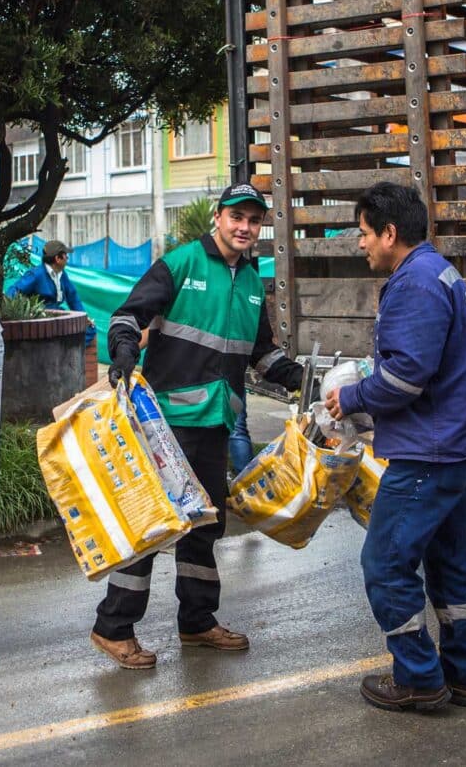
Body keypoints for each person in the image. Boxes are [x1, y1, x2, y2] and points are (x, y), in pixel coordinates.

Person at [93, 183, 304, 669]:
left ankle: (197, 621)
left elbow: (261, 351)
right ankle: (113, 627)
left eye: (253, 220)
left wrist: (294, 377)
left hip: (216, 421)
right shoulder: (182, 263)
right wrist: (124, 351)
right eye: (237, 217)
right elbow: (128, 314)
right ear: (218, 217)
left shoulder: (252, 282)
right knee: (153, 525)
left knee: (205, 524)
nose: (245, 227)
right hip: (166, 421)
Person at [324, 182, 466, 713]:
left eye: (364, 235)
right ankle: (464, 674)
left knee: (384, 562)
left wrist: (349, 397)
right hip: (454, 445)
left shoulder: (414, 283)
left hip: (431, 452)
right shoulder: (440, 273)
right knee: (449, 563)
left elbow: (405, 379)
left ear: (390, 233)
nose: (362, 246)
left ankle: (420, 677)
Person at [6, 239, 95, 344]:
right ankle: (61, 348)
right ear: (58, 258)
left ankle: (67, 349)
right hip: (41, 317)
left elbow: (73, 297)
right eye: (65, 255)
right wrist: (19, 313)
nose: (67, 258)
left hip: (59, 314)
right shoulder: (36, 275)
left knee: (90, 329)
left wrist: (83, 317)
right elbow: (14, 290)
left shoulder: (62, 274)